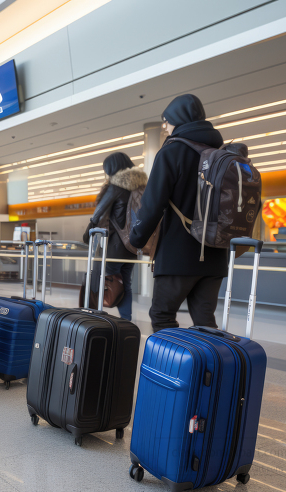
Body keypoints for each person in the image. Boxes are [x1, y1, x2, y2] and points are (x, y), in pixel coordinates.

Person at [129, 94, 228, 332]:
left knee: (162, 315)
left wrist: (136, 239)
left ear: (179, 119)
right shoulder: (221, 154)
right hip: (214, 255)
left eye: (166, 120)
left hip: (177, 254)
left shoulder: (172, 151)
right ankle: (209, 369)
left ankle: (171, 369)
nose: (164, 126)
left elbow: (152, 204)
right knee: (205, 320)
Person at [82, 152, 146, 320]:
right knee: (125, 284)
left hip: (114, 247)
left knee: (99, 282)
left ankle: (93, 318)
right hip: (131, 247)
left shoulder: (116, 186)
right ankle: (127, 320)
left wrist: (87, 233)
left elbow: (98, 213)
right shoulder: (140, 187)